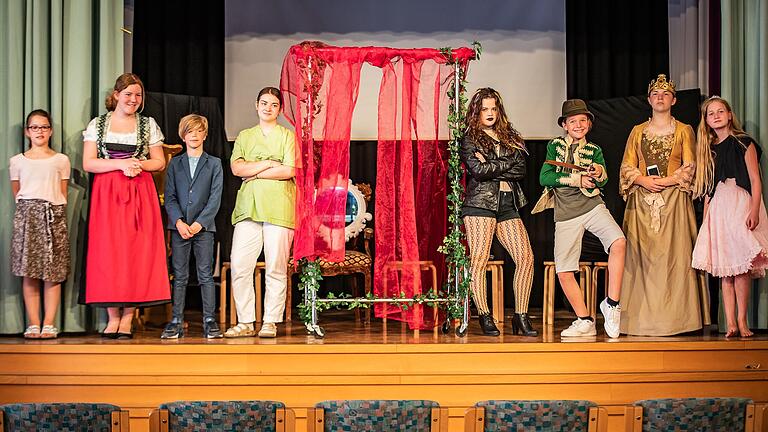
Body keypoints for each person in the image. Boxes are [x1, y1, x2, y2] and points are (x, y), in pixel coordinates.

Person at [82, 73, 170, 339]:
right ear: (117, 95)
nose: (133, 99)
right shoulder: (99, 124)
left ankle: (128, 317)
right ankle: (112, 316)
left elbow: (159, 162)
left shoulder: (148, 124)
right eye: (129, 94)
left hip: (139, 191)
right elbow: (89, 163)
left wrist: (137, 164)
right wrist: (120, 164)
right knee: (109, 251)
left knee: (136, 250)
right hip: (107, 193)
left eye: (138, 95)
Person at [619, 74, 706, 336]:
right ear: (649, 100)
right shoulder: (637, 132)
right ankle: (639, 319)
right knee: (642, 259)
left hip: (674, 202)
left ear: (674, 100)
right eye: (655, 94)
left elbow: (690, 166)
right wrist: (643, 180)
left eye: (665, 94)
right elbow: (626, 166)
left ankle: (677, 320)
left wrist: (666, 181)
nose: (660, 97)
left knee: (674, 257)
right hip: (642, 203)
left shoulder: (683, 130)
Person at [532, 99, 626, 339]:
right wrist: (576, 179)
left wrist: (597, 172)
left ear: (589, 124)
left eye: (583, 120)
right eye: (572, 121)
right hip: (566, 215)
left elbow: (604, 180)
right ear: (564, 125)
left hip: (592, 206)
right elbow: (545, 177)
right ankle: (584, 320)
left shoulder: (594, 150)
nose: (578, 124)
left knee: (619, 242)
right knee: (564, 270)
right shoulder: (555, 146)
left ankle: (612, 304)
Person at [460, 88, 536, 336]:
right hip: (480, 203)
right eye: (485, 109)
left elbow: (521, 170)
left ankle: (521, 316)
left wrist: (491, 165)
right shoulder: (470, 137)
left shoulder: (510, 135)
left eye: (494, 108)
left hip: (507, 203)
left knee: (526, 258)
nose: (490, 113)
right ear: (476, 112)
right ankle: (484, 315)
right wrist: (504, 164)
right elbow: (478, 172)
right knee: (479, 260)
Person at [692, 96, 768, 338]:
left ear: (729, 114)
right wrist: (706, 221)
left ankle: (742, 319)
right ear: (706, 121)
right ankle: (730, 322)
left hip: (739, 203)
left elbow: (756, 180)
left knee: (740, 268)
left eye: (720, 111)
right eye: (710, 113)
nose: (716, 115)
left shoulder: (744, 143)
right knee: (726, 269)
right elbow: (708, 191)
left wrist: (754, 210)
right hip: (718, 208)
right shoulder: (709, 150)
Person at [224, 87, 296, 339]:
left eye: (274, 104)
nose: (268, 108)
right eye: (264, 103)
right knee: (241, 264)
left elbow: (288, 171)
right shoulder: (245, 135)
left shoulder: (288, 136)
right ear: (256, 105)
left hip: (279, 207)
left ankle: (270, 321)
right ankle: (245, 321)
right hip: (248, 208)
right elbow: (236, 168)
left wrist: (252, 171)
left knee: (276, 266)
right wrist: (267, 163)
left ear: (280, 109)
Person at [160, 114, 223, 339]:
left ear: (205, 135)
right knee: (180, 275)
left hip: (204, 229)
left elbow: (215, 199)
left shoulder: (214, 163)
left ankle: (209, 320)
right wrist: (178, 222)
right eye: (190, 131)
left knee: (205, 274)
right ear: (183, 136)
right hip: (179, 229)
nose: (194, 135)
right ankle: (176, 319)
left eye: (198, 131)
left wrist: (198, 224)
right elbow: (170, 197)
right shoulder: (175, 163)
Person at [10, 109, 71, 339]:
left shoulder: (61, 160)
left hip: (53, 216)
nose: (40, 131)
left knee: (53, 273)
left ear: (51, 130)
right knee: (30, 272)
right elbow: (17, 193)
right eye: (35, 127)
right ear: (27, 131)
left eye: (44, 127)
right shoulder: (17, 161)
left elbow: (62, 192)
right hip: (27, 216)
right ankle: (34, 323)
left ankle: (49, 323)